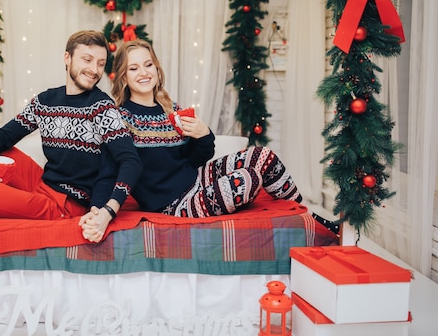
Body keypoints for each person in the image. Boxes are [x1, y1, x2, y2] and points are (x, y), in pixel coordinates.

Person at [80, 39, 339, 241]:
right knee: (247, 180)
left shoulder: (171, 108)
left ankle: (308, 217)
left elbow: (195, 159)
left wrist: (203, 134)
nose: (143, 73)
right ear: (124, 77)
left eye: (148, 65)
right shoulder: (119, 118)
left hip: (195, 179)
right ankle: (304, 218)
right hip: (172, 205)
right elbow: (109, 170)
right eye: (133, 68)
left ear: (157, 70)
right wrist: (97, 209)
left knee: (263, 156)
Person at [0, 30, 142, 239]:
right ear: (67, 58)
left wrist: (107, 210)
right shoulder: (46, 100)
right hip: (41, 182)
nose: (94, 69)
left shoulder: (102, 107)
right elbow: (5, 135)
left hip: (64, 203)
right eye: (87, 59)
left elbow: (130, 161)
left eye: (101, 64)